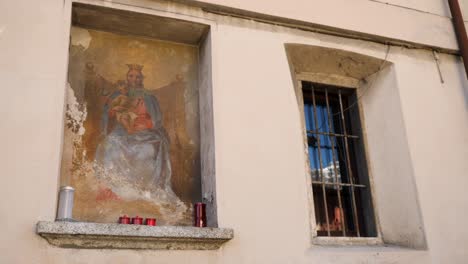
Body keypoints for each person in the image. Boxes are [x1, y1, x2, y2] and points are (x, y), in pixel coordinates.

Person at [94, 64, 178, 204]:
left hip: (145, 133)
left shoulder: (149, 97)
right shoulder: (117, 94)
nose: (134, 79)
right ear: (126, 77)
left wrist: (146, 123)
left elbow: (157, 120)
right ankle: (111, 188)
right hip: (122, 131)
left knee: (148, 149)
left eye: (137, 76)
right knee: (108, 144)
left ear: (141, 79)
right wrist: (112, 114)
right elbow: (107, 114)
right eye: (131, 76)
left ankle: (144, 191)